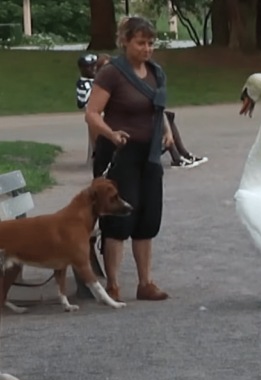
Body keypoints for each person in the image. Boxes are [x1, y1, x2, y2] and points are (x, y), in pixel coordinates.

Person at [84, 16, 170, 302]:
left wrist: (166, 131)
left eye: (150, 43)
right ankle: (113, 285)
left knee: (148, 218)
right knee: (119, 221)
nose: (147, 49)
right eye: (141, 43)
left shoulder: (156, 72)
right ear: (125, 42)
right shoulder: (112, 73)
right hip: (119, 153)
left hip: (150, 155)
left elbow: (157, 108)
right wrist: (110, 133)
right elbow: (92, 113)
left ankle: (145, 283)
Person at [95, 54, 207, 169]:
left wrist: (167, 131)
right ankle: (178, 157)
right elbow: (93, 111)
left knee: (165, 116)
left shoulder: (141, 77)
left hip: (143, 127)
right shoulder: (103, 84)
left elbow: (156, 105)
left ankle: (182, 154)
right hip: (121, 129)